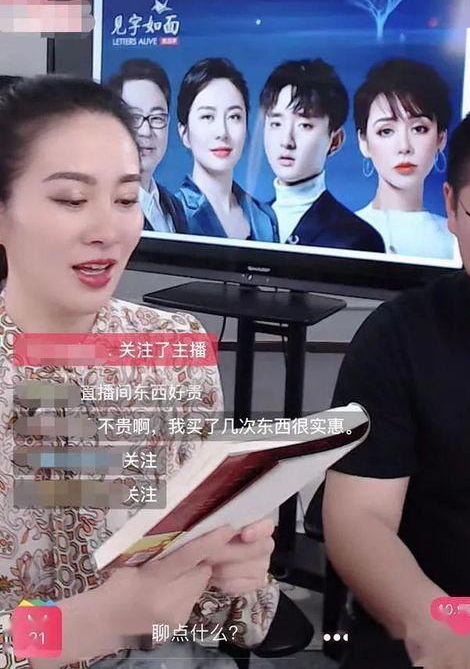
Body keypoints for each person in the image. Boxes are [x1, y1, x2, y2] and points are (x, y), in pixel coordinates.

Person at [0, 75, 279, 669]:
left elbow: (223, 621)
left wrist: (238, 571)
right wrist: (92, 625)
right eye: (71, 200)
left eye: (127, 200)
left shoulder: (173, 348)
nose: (107, 229)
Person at [323, 99, 470, 668]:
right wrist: (442, 631)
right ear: (451, 207)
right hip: (434, 626)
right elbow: (359, 518)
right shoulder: (398, 338)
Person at [259, 59, 384, 252]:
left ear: (335, 140)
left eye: (304, 125)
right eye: (276, 124)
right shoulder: (247, 220)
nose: (286, 141)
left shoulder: (357, 239)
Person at [354, 58, 455, 258]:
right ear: (364, 142)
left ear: (441, 138)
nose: (404, 147)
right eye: (386, 131)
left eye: (419, 129)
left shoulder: (456, 240)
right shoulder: (342, 234)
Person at [176, 58, 278, 241]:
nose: (222, 132)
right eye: (207, 117)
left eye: (234, 117)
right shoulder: (173, 215)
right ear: (184, 133)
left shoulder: (265, 217)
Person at [108, 58, 187, 233]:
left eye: (157, 118)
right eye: (134, 117)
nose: (146, 131)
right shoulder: (105, 206)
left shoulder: (175, 207)